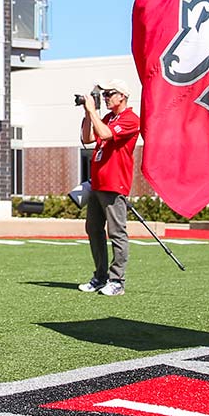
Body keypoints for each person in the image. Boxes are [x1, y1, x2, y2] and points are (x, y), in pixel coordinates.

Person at [77, 85, 139, 295]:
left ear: (122, 96)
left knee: (116, 232)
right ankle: (100, 276)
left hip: (114, 183)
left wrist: (93, 111)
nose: (105, 98)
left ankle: (117, 280)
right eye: (103, 95)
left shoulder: (130, 119)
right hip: (98, 182)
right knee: (93, 229)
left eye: (109, 94)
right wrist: (88, 113)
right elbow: (88, 138)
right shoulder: (108, 118)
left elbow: (105, 134)